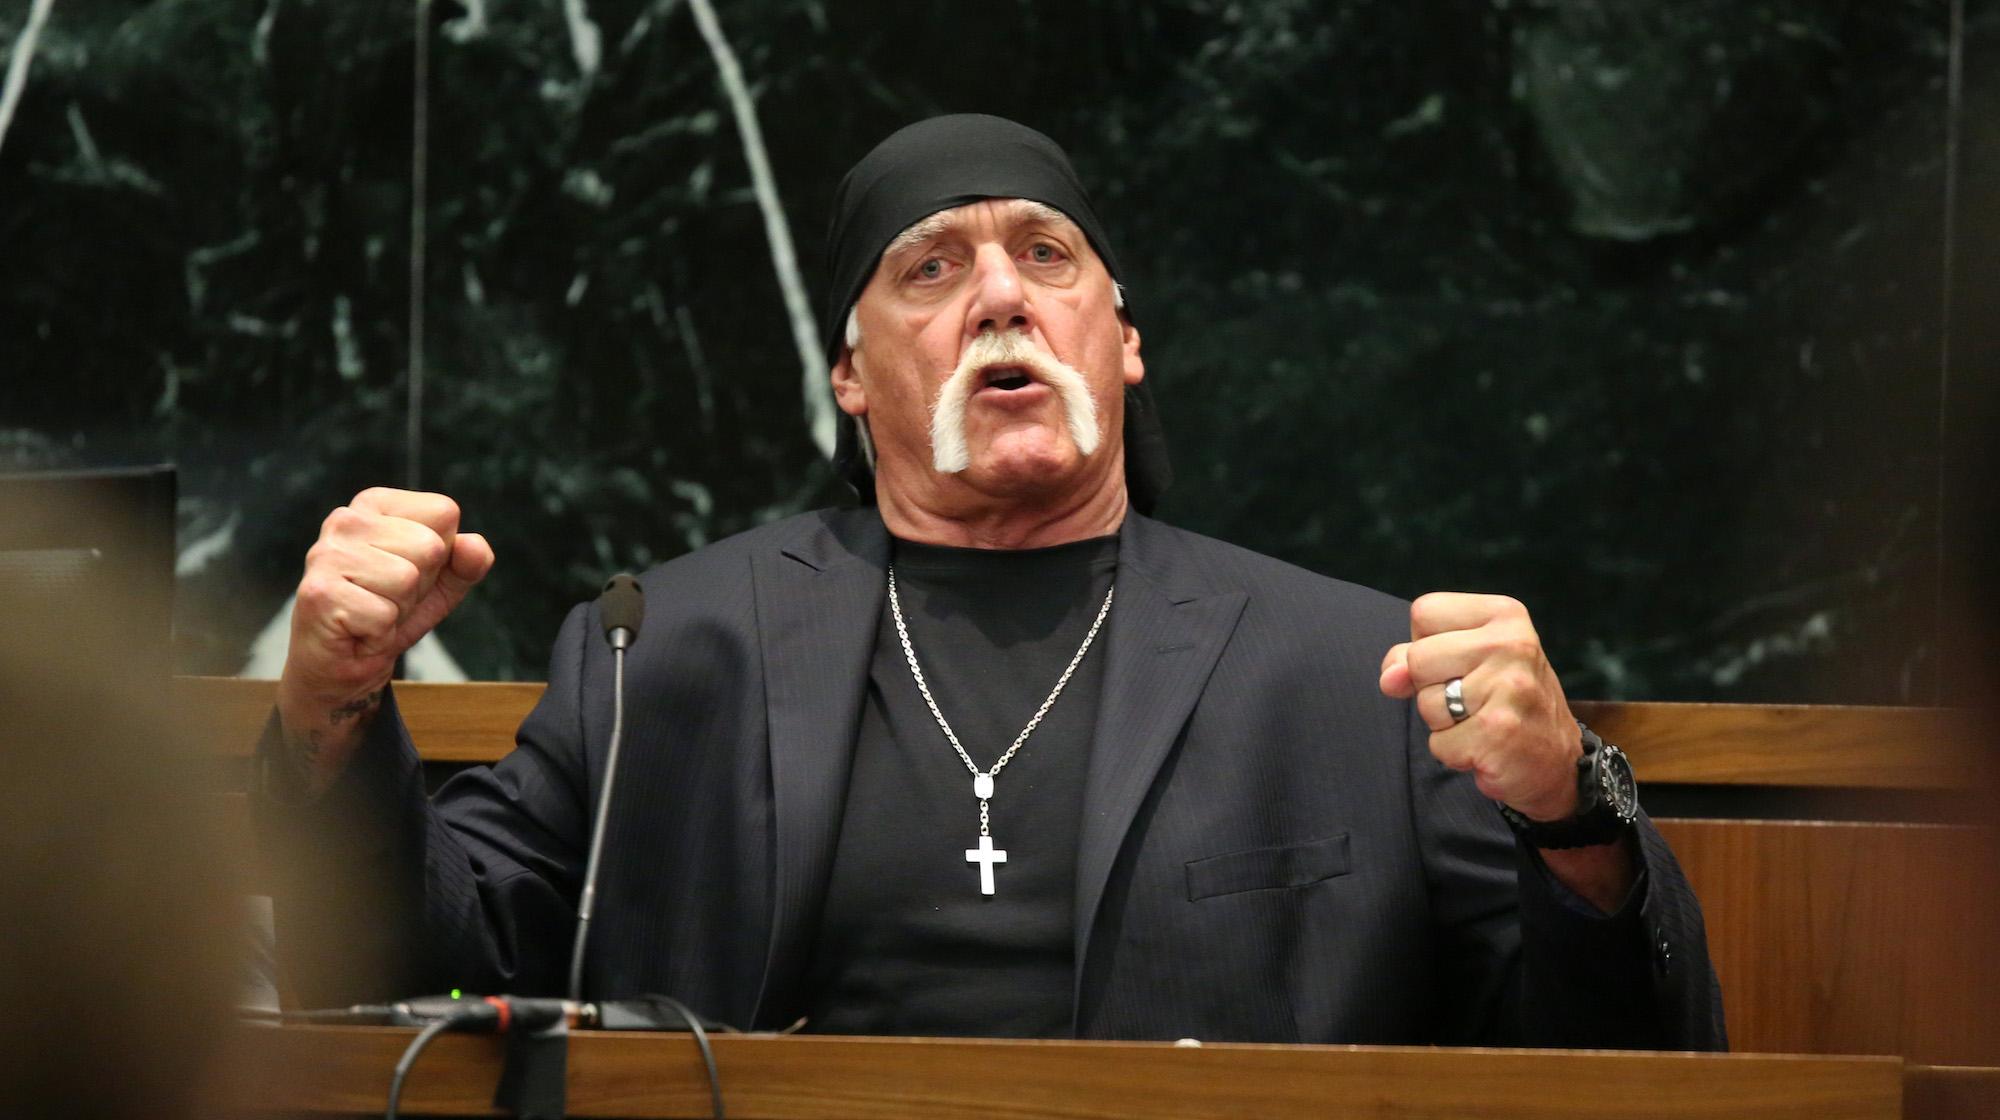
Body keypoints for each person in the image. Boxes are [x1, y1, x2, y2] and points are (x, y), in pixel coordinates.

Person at [255, 114, 1726, 1047]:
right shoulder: (664, 653)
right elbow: (424, 990)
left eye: (1045, 255)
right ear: (848, 377)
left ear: (1123, 345)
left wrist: (1569, 814)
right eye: (930, 270)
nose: (1001, 294)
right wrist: (327, 712)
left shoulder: (1353, 672)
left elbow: (1614, 1070)